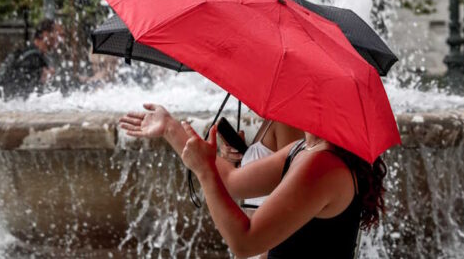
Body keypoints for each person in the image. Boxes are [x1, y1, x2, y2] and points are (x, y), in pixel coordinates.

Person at [119, 103, 388, 259]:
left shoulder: (323, 165)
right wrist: (170, 127)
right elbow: (232, 180)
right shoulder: (302, 150)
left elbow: (245, 242)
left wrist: (203, 172)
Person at [219, 120, 304, 259]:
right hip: (257, 246)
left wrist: (270, 251)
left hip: (268, 247)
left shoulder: (286, 123)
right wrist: (235, 160)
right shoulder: (270, 121)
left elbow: (293, 197)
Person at [0, 19, 63, 100]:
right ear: (46, 34)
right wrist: (40, 75)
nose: (61, 40)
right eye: (59, 35)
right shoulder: (31, 57)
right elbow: (18, 87)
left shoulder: (31, 54)